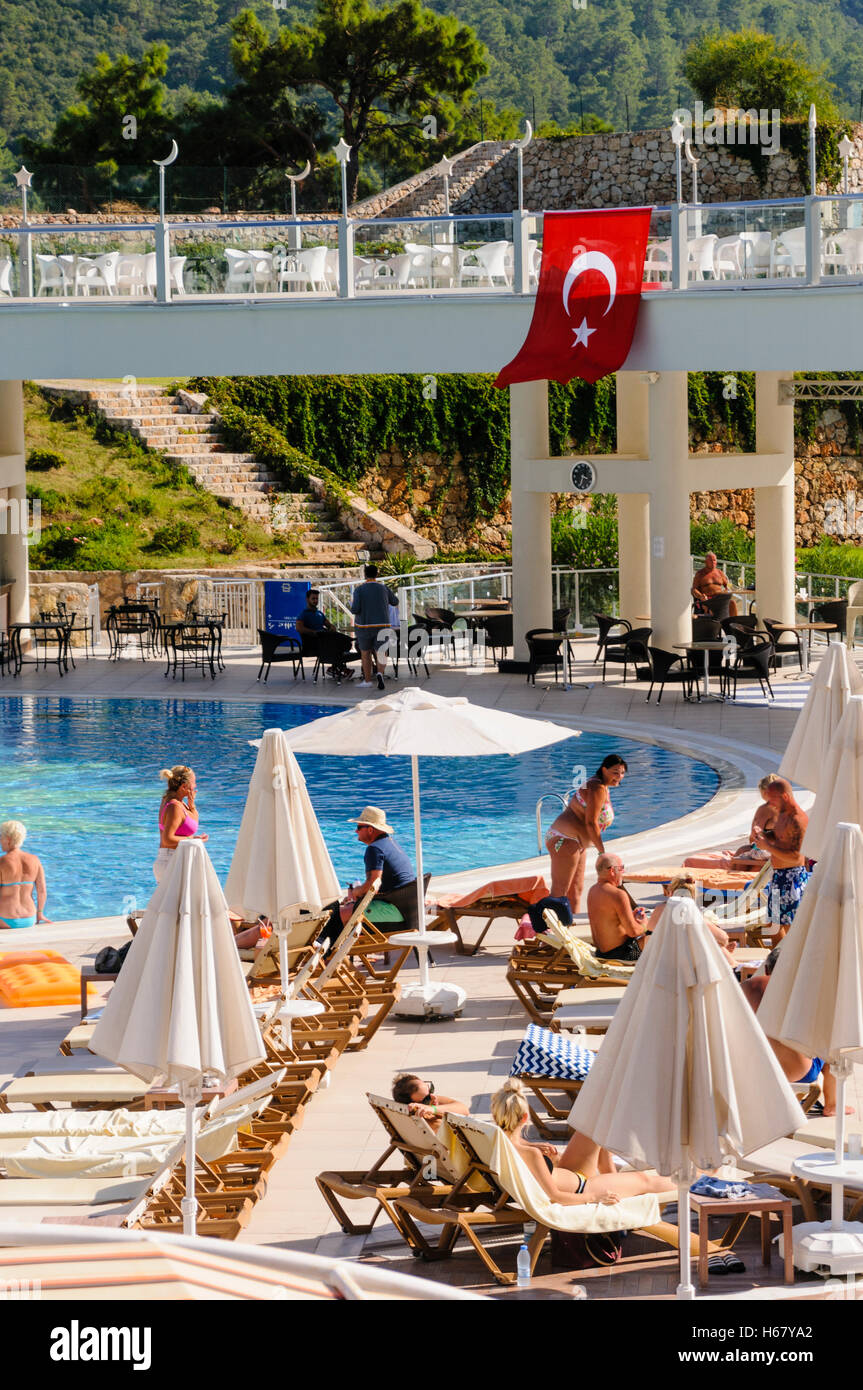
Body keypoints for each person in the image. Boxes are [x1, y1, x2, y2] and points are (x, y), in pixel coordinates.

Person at [491, 1078, 673, 1204]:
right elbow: (555, 1197)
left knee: (597, 1123)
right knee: (644, 1181)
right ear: (525, 1118)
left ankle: (611, 1175)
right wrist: (595, 1198)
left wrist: (533, 1145)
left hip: (569, 1173)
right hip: (584, 1188)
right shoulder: (530, 1154)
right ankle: (696, 1180)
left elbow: (516, 1144)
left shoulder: (495, 1141)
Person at [742, 950, 844, 1116]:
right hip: (799, 1074)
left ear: (767, 969)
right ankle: (832, 1105)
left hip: (753, 1072)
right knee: (834, 1043)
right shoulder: (804, 992)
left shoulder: (746, 986)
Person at [319, 805, 417, 949]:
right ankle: (338, 953)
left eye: (359, 827)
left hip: (394, 914)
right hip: (406, 910)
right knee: (348, 908)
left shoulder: (375, 849)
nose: (356, 831)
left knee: (335, 915)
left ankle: (328, 957)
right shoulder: (390, 843)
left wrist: (356, 893)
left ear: (370, 829)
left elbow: (372, 886)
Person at [545, 754, 627, 915]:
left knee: (575, 890)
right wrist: (602, 852)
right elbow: (591, 822)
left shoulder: (601, 786)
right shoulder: (596, 787)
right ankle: (548, 932)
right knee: (560, 891)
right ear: (604, 770)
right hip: (564, 839)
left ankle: (570, 931)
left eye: (622, 773)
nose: (619, 777)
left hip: (576, 842)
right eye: (615, 772)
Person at [751, 775, 810, 938]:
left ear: (784, 797)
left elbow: (795, 856)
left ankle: (791, 961)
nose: (770, 805)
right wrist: (762, 835)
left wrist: (766, 846)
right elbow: (780, 842)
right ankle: (781, 961)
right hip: (779, 876)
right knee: (773, 926)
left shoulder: (797, 820)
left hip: (792, 877)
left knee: (791, 929)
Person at [683, 778, 777, 872]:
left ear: (764, 792)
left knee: (741, 853)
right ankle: (733, 875)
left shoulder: (766, 810)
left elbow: (754, 838)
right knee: (742, 851)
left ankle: (731, 876)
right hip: (774, 849)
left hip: (768, 850)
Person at [643, 874, 736, 964]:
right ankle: (734, 967)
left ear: (670, 893)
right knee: (716, 945)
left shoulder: (659, 910)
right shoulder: (690, 912)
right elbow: (723, 938)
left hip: (655, 967)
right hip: (682, 970)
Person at [586, 853, 647, 962]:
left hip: (601, 953)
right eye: (621, 868)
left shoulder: (593, 890)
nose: (623, 872)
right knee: (656, 936)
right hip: (622, 955)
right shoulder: (618, 894)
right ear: (612, 871)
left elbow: (609, 921)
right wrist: (645, 925)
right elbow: (633, 932)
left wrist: (631, 917)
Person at [155, 765, 208, 884]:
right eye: (194, 782)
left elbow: (193, 821)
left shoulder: (173, 801)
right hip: (171, 862)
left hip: (170, 861)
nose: (195, 786)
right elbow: (168, 839)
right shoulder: (175, 807)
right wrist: (194, 839)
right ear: (184, 786)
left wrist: (192, 805)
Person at [350, 564, 398, 690]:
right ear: (377, 574)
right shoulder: (384, 588)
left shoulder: (359, 590)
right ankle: (380, 673)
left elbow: (355, 609)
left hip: (364, 626)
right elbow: (395, 601)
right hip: (383, 625)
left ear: (365, 574)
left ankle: (367, 681)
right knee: (381, 652)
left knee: (365, 654)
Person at [0, 820, 49, 929]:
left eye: (1, 837)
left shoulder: (2, 862)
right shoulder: (35, 860)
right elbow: (42, 891)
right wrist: (39, 913)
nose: (0, 840)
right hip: (29, 918)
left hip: (4, 919)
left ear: (8, 839)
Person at [295, 588, 353, 681]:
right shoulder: (303, 614)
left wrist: (331, 628)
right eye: (313, 599)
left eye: (317, 599)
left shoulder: (319, 614)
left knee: (346, 641)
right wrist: (313, 632)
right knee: (337, 644)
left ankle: (334, 668)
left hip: (325, 640)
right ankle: (339, 669)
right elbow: (299, 628)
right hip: (313, 643)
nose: (315, 601)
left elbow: (329, 625)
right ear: (307, 599)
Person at [391, 1073, 469, 1130]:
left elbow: (464, 1109)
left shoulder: (429, 1102)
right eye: (427, 1098)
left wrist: (433, 1108)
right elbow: (465, 1113)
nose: (433, 1096)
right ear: (416, 1105)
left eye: (430, 1089)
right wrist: (433, 1109)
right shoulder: (430, 1123)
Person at [691, 552, 738, 617]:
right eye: (710, 560)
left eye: (714, 560)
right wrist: (701, 596)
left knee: (732, 603)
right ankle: (715, 625)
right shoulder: (700, 574)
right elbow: (694, 589)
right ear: (706, 562)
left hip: (720, 598)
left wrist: (727, 590)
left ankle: (733, 624)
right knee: (713, 607)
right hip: (708, 599)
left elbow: (727, 585)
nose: (713, 562)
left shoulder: (720, 573)